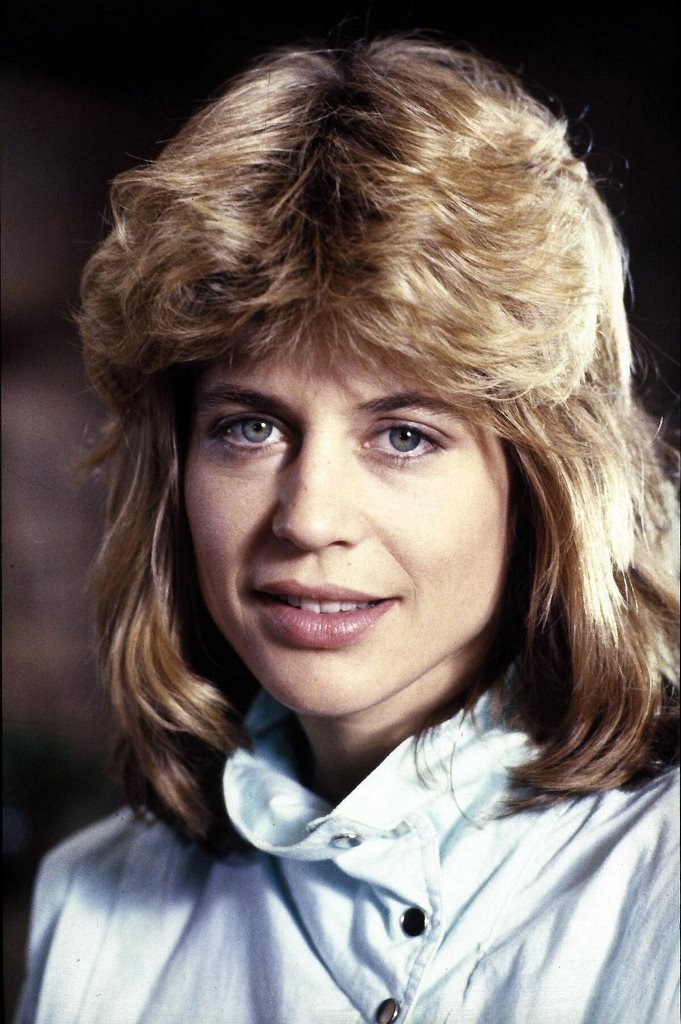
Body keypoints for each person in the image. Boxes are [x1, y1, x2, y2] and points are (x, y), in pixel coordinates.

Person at [17, 35, 679, 1024]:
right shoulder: (92, 908)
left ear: (539, 481)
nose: (309, 518)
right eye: (249, 428)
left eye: (404, 435)